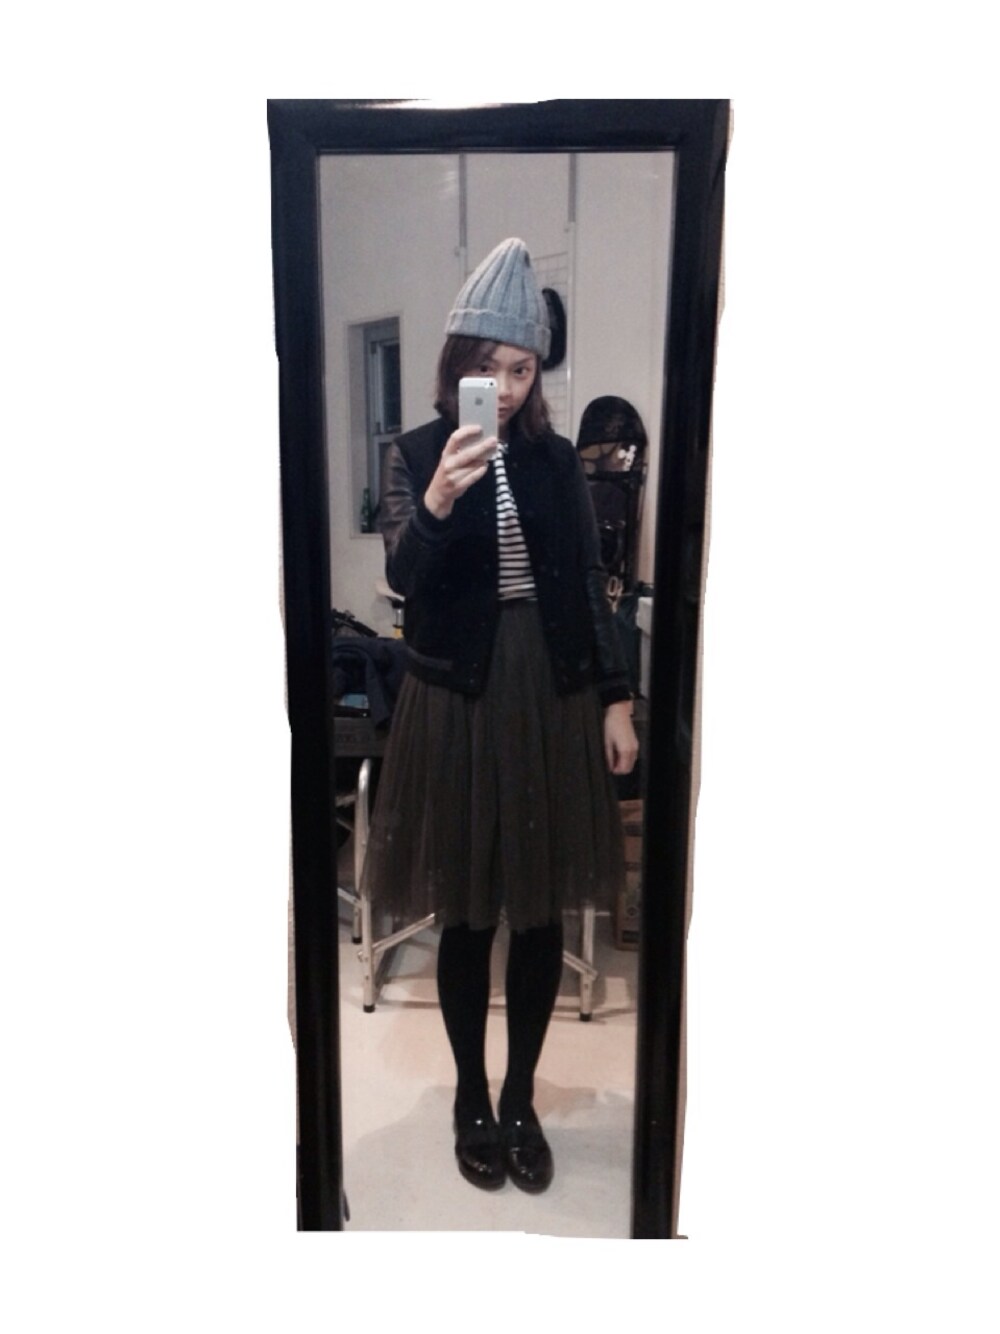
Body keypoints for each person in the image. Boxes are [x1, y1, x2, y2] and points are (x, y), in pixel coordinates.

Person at [362, 237, 638, 1194]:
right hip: (459, 698)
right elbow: (406, 577)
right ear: (459, 365)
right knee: (469, 913)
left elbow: (591, 589)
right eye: (492, 367)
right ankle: (469, 1100)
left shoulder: (558, 463)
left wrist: (615, 698)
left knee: (539, 911)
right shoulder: (414, 455)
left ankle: (520, 1099)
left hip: (550, 693)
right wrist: (439, 499)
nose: (509, 388)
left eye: (523, 369)